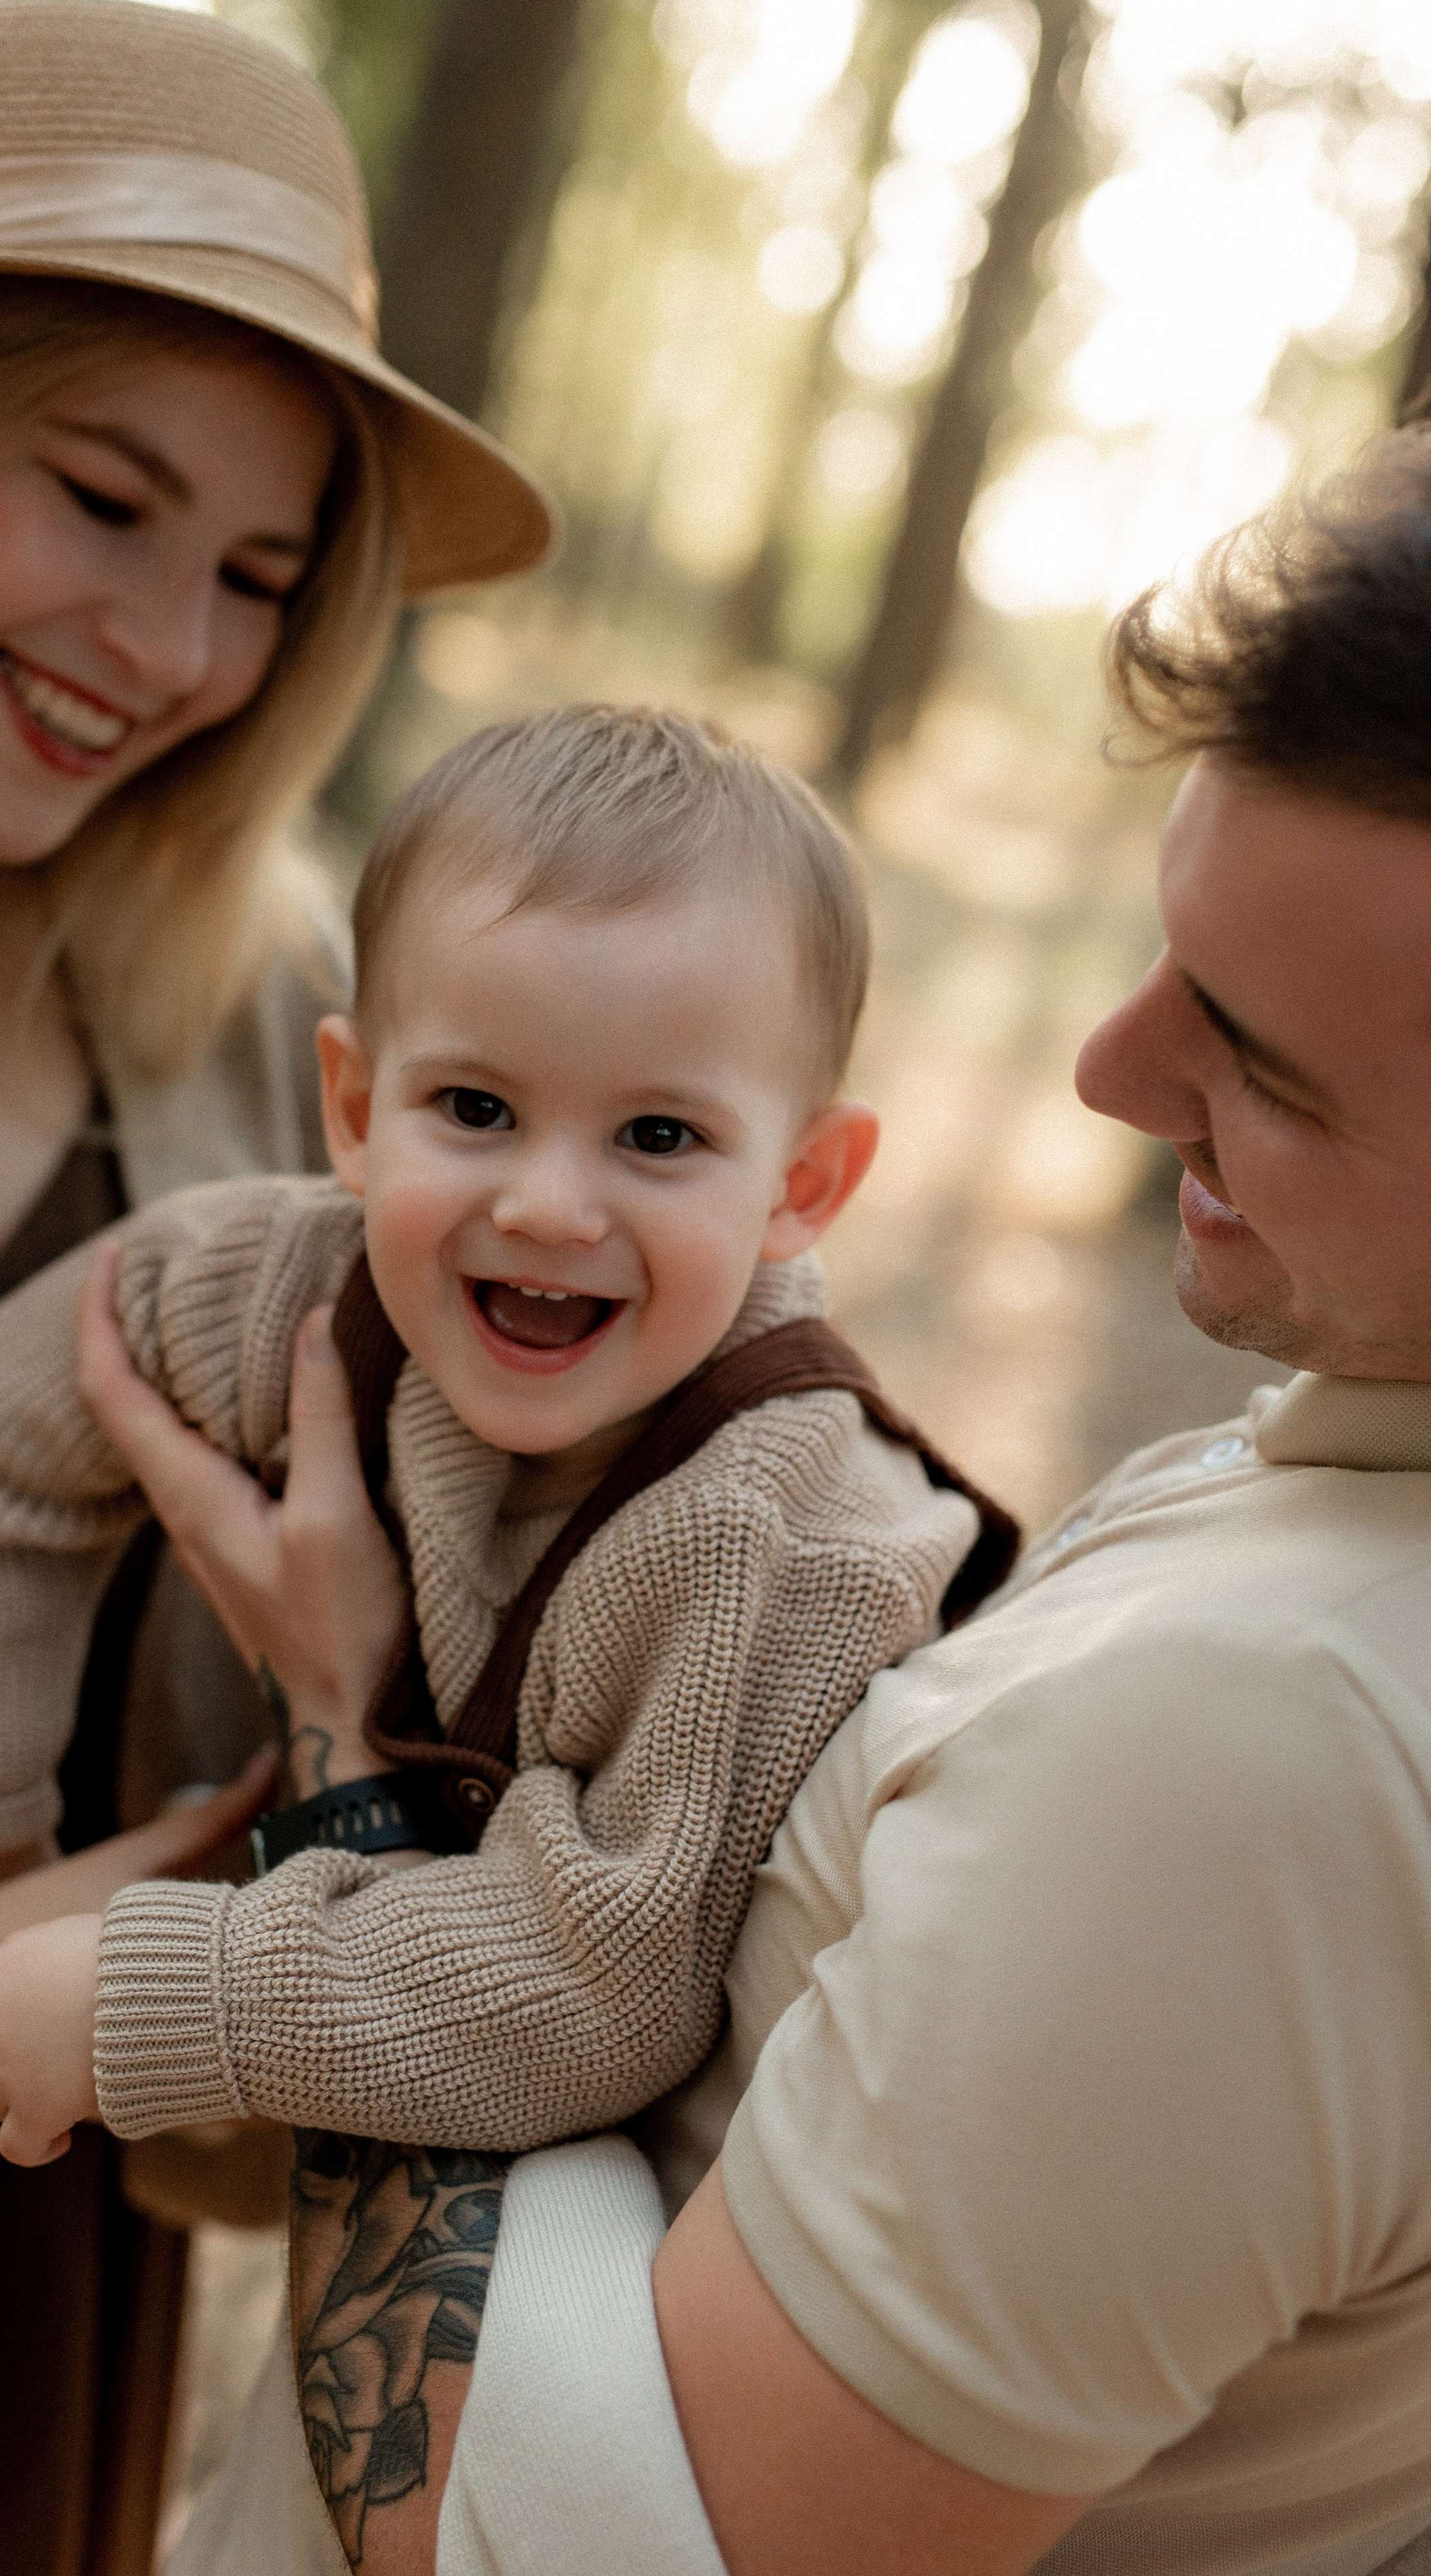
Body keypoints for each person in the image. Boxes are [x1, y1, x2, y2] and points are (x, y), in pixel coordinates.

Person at [77, 435, 1430, 2576]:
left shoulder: (1266, 1755)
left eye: (1261, 1057)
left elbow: (535, 2540)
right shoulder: (1330, 1490)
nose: (1104, 1069)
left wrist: (350, 1757)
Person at [0, 1, 551, 2568]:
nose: (177, 651)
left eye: (262, 578)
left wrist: (356, 1694)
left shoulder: (267, 1027)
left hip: (5, 2326)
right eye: (103, 497)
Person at [0, 705, 1013, 2196]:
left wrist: (172, 1998)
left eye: (656, 1138)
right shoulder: (286, 1287)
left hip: (723, 2250)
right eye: (473, 1108)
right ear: (352, 1108)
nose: (545, 1205)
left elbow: (594, 1992)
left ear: (801, 1184)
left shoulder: (764, 1531)